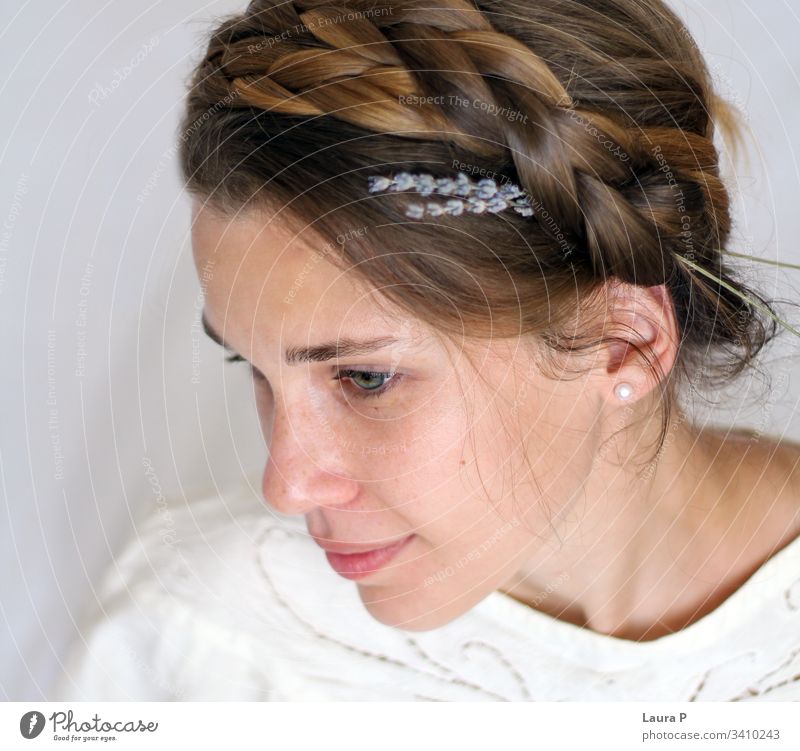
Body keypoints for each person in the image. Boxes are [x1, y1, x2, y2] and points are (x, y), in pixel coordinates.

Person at [54, 0, 800, 700]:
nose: (286, 486)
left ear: (623, 343)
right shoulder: (199, 636)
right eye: (251, 364)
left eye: (366, 377)